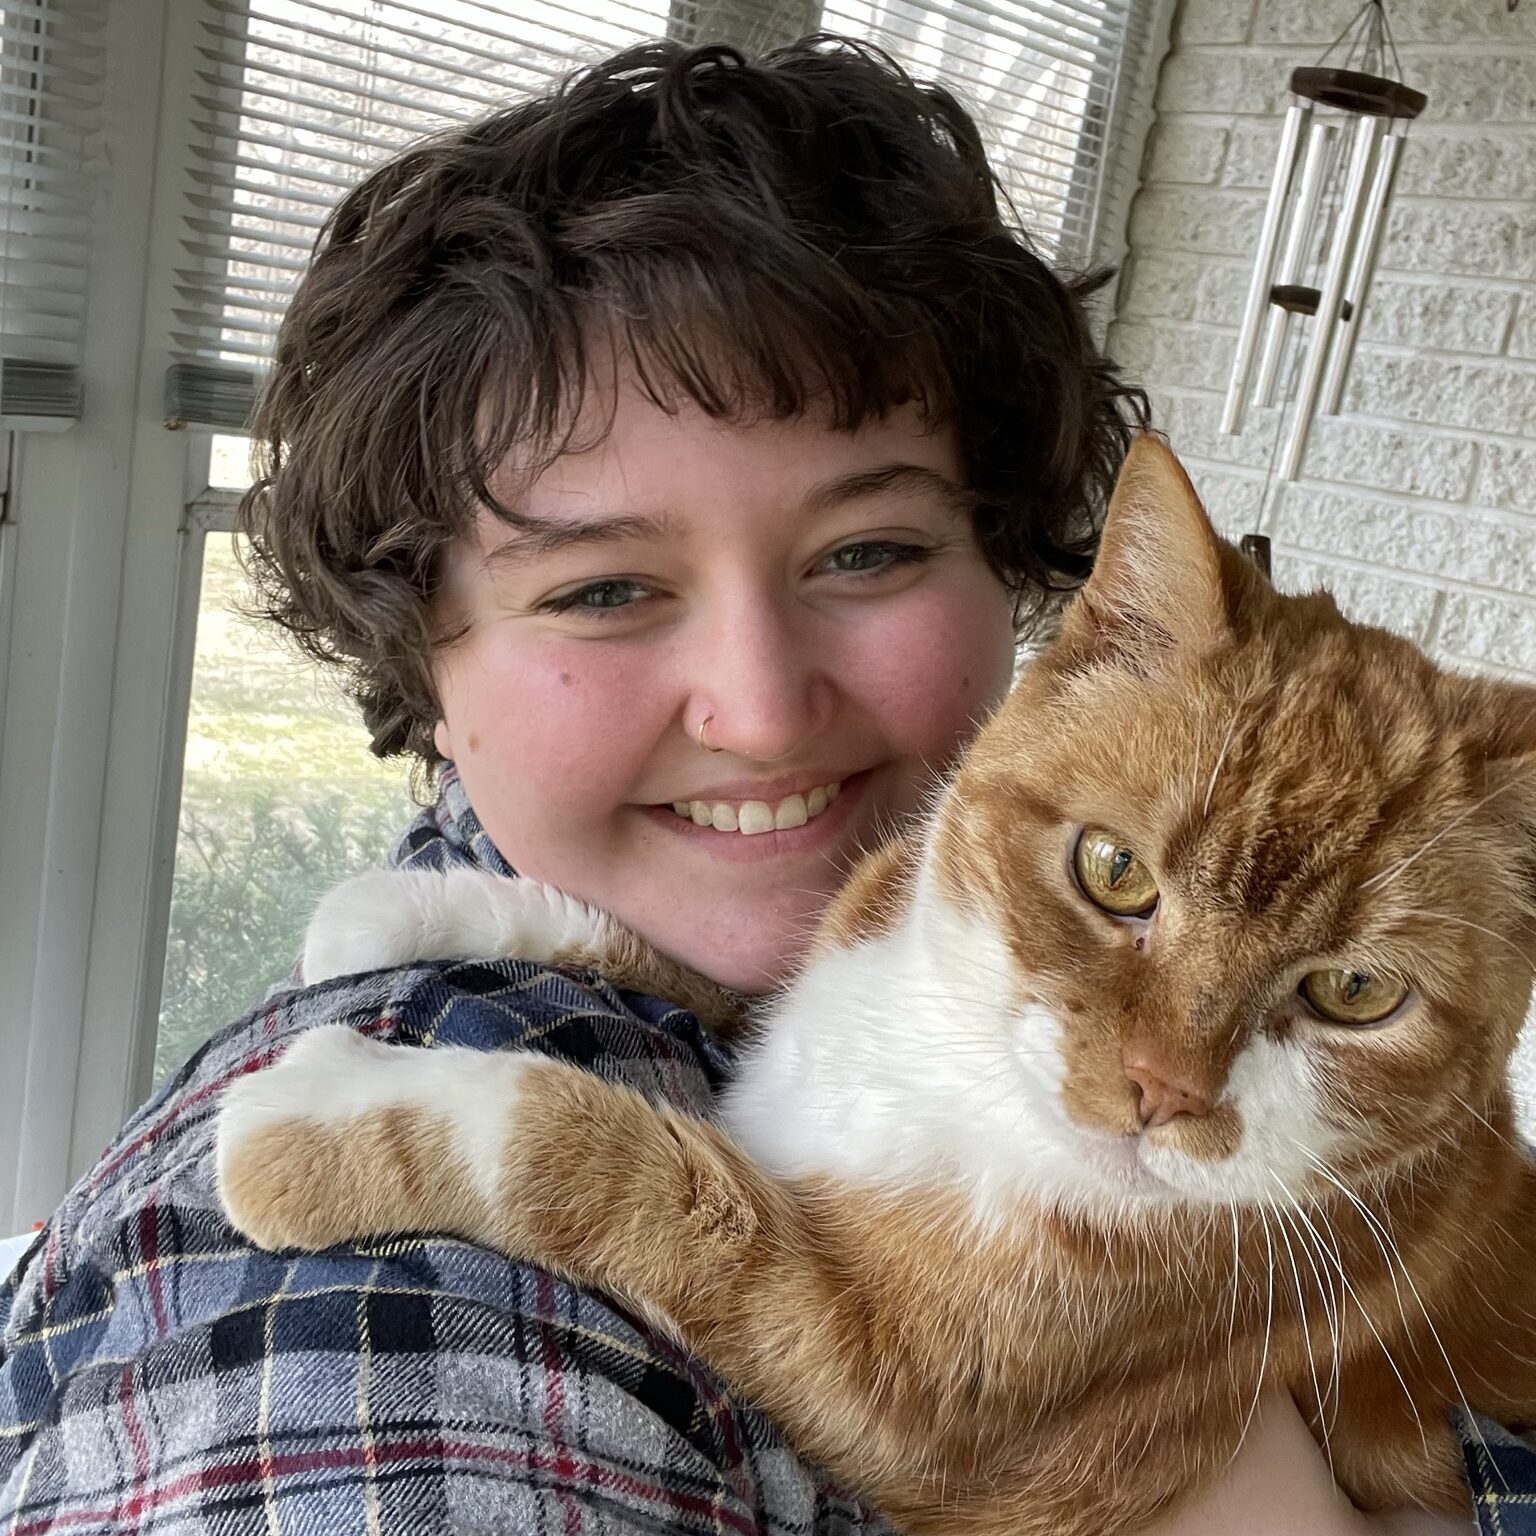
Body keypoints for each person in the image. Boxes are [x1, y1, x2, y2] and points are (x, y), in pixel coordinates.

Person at [0, 35, 1520, 1535]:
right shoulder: (358, 1322)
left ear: (1023, 587)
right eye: (601, 589)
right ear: (420, 659)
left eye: (868, 553)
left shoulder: (927, 893)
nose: (764, 709)